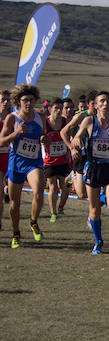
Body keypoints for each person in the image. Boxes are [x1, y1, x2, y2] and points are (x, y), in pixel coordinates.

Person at [71, 91, 109, 254]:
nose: (106, 104)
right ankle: (98, 241)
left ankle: (102, 200)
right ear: (96, 105)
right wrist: (75, 141)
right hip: (93, 168)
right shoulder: (89, 121)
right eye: (102, 101)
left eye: (108, 101)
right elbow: (76, 136)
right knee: (94, 209)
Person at [0, 84, 47, 248]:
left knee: (39, 191)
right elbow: (1, 141)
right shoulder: (12, 118)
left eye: (31, 100)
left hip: (34, 162)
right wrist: (15, 133)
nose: (28, 103)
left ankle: (33, 221)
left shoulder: (40, 117)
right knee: (14, 203)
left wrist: (44, 140)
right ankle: (16, 233)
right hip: (16, 163)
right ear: (18, 101)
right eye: (25, 100)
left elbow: (44, 136)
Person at [41, 99, 71, 223]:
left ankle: (60, 207)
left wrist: (70, 148)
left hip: (63, 159)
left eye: (60, 108)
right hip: (50, 160)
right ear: (50, 109)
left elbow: (69, 136)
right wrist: (42, 138)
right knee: (53, 186)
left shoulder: (65, 122)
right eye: (56, 108)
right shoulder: (46, 123)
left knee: (64, 187)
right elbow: (41, 136)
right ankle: (53, 213)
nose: (58, 111)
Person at [0, 90, 11, 231]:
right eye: (3, 99)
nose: (5, 102)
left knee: (2, 193)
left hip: (9, 158)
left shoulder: (12, 118)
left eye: (7, 100)